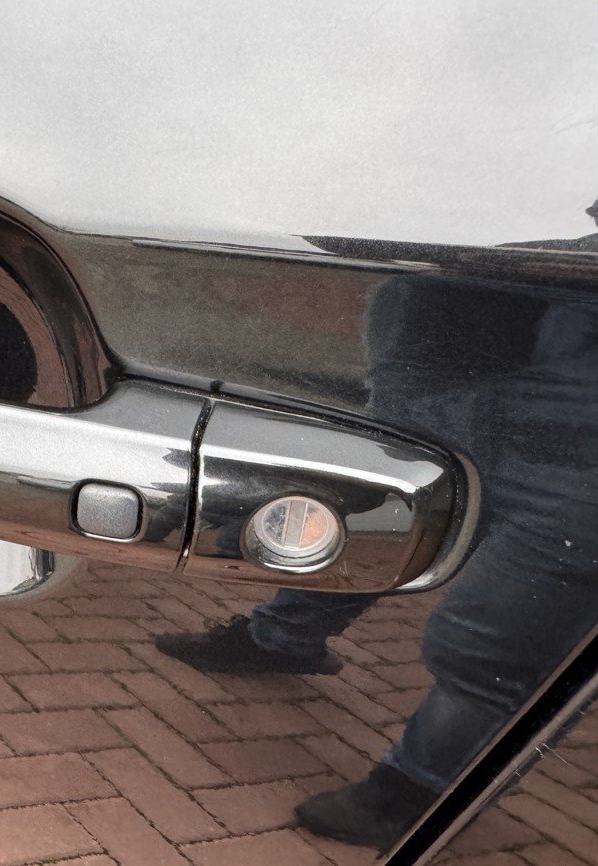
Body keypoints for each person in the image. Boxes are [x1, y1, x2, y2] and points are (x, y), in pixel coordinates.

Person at [156, 217, 598, 851]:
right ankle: (279, 640)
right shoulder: (541, 231)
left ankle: (420, 790)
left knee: (494, 645)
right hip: (452, 391)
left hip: (576, 455)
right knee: (373, 533)